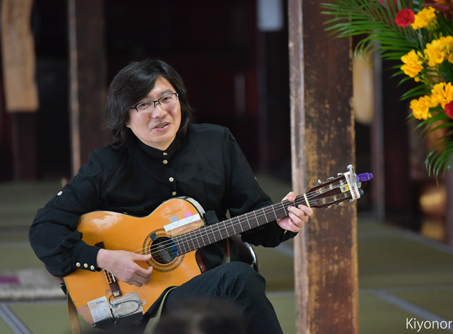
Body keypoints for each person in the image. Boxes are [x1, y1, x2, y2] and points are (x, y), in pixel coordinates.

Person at [29, 59, 313, 334]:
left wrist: (281, 222)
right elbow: (44, 229)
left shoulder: (217, 143)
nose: (159, 111)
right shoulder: (105, 165)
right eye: (143, 104)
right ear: (124, 118)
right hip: (131, 304)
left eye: (167, 98)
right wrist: (104, 258)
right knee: (238, 278)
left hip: (201, 288)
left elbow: (252, 212)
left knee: (239, 277)